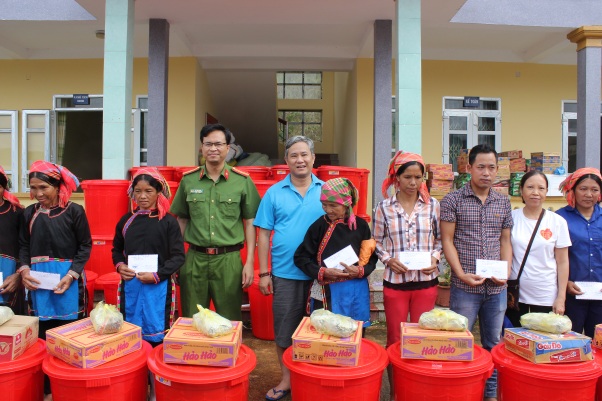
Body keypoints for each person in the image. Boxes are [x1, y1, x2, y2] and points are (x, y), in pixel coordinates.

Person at [440, 144, 512, 401]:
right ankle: (460, 392)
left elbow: (505, 240)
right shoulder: (452, 200)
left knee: (493, 343)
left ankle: (490, 393)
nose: (486, 173)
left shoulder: (503, 201)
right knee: (460, 342)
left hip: (496, 287)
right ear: (469, 168)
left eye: (491, 167)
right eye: (481, 167)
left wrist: (506, 272)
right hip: (465, 287)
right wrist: (460, 274)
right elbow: (447, 240)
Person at [254, 135, 324, 401]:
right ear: (286, 160)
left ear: (313, 158)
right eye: (294, 155)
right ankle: (287, 380)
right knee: (285, 329)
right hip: (284, 274)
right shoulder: (274, 193)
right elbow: (263, 234)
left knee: (319, 328)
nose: (300, 160)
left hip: (321, 275)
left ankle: (314, 377)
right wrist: (264, 273)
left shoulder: (327, 190)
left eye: (304, 154)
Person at [170, 123, 260, 320]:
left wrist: (249, 262)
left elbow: (250, 222)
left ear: (228, 148)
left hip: (228, 260)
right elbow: (181, 220)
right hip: (194, 259)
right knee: (192, 319)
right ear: (201, 148)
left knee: (229, 319)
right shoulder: (188, 180)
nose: (213, 149)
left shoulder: (242, 181)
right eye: (208, 144)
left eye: (218, 144)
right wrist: (175, 258)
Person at [18, 160, 91, 400]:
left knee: (69, 334)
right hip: (39, 285)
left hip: (69, 281)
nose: (38, 193)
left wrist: (71, 275)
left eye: (44, 187)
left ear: (58, 186)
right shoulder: (29, 213)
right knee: (43, 334)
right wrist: (25, 271)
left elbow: (85, 246)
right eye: (33, 188)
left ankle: (70, 386)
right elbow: (23, 246)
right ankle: (48, 387)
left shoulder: (74, 211)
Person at [372, 151, 441, 401]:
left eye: (418, 177)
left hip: (425, 283)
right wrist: (388, 259)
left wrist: (435, 258)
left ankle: (417, 391)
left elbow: (440, 240)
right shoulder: (384, 208)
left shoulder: (433, 206)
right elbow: (376, 242)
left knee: (423, 336)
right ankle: (396, 392)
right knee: (395, 338)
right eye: (407, 177)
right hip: (395, 284)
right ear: (396, 178)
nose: (413, 183)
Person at [112, 168, 185, 346]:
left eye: (148, 191)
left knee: (157, 329)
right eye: (138, 191)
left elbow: (178, 256)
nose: (142, 196)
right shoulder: (126, 221)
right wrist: (120, 266)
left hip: (159, 285)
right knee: (131, 330)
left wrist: (157, 275)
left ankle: (155, 360)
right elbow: (116, 249)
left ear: (159, 192)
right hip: (132, 284)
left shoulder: (168, 222)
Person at [294, 178, 377, 329]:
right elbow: (301, 257)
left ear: (347, 204)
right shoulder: (320, 226)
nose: (328, 210)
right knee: (327, 332)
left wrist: (360, 270)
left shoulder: (361, 226)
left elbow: (371, 258)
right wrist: (322, 272)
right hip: (327, 289)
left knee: (354, 331)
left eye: (333, 205)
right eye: (324, 204)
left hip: (355, 289)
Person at [506, 170, 570, 327]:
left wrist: (561, 297)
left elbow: (562, 262)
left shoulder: (557, 222)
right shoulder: (511, 218)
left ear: (546, 191)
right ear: (521, 190)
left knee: (542, 339)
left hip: (545, 295)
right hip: (516, 295)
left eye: (541, 188)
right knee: (515, 337)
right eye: (530, 187)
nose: (535, 192)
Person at [556, 168, 602, 338]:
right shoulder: (559, 218)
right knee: (570, 342)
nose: (589, 194)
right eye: (583, 189)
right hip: (571, 295)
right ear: (573, 190)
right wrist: (566, 283)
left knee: (598, 342)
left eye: (594, 189)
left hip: (600, 294)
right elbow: (553, 257)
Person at [0, 165, 25, 314]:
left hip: (11, 279)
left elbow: (25, 246)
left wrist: (19, 275)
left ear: (3, 188)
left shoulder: (17, 213)